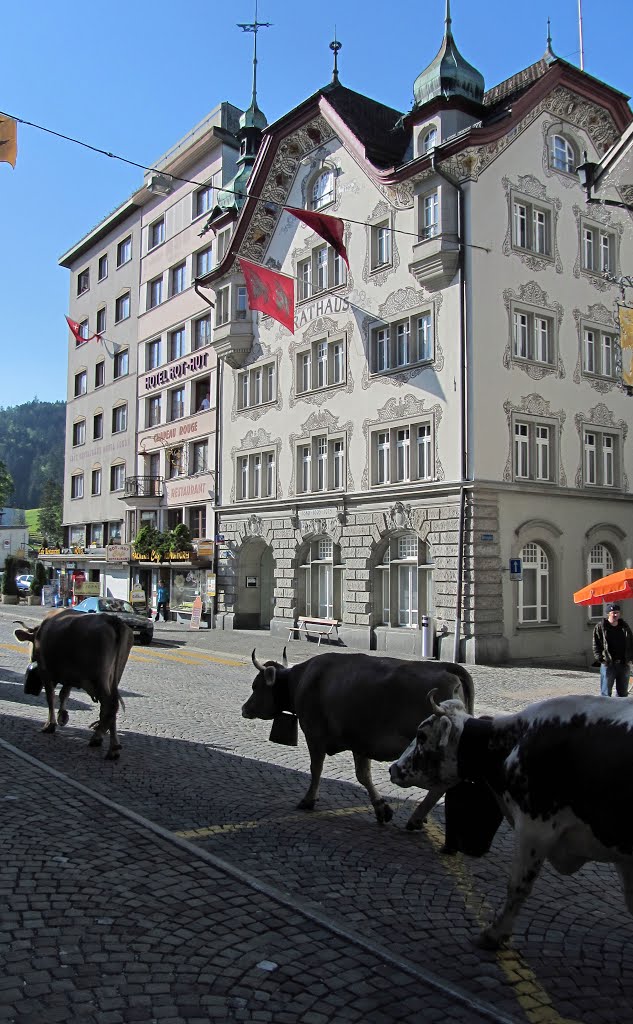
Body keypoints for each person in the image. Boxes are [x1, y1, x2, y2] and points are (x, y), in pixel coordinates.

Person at [592, 602, 633, 697]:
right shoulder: (601, 627)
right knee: (606, 693)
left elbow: (631, 642)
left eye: (617, 612)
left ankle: (619, 711)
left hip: (623, 664)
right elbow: (596, 645)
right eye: (613, 612)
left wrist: (630, 659)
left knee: (622, 693)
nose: (616, 615)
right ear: (608, 614)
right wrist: (601, 659)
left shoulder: (624, 626)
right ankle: (606, 711)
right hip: (608, 664)